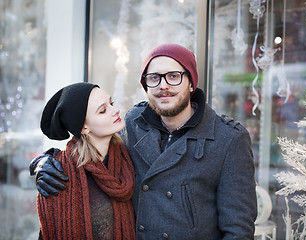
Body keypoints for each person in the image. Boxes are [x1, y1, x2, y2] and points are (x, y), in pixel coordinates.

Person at [30, 43, 257, 239]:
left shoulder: (229, 139)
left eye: (174, 76)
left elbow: (238, 230)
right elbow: (93, 154)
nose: (163, 85)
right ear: (146, 86)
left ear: (191, 83)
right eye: (154, 78)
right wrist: (45, 161)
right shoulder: (133, 123)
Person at [35, 82, 135, 239]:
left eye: (111, 103)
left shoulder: (128, 157)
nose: (115, 110)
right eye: (103, 110)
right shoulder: (59, 174)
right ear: (84, 128)